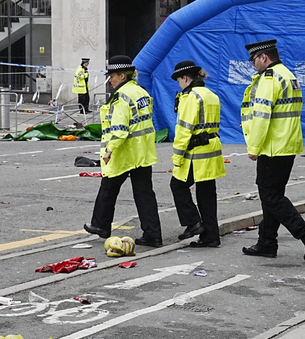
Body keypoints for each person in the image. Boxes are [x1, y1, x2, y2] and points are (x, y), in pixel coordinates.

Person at [240, 39, 305, 260]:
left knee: (270, 195)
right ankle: (266, 242)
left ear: (264, 57)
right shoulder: (289, 75)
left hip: (273, 145)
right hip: (288, 143)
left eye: (254, 60)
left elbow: (263, 115)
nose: (253, 65)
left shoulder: (269, 78)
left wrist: (254, 146)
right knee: (273, 196)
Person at [83, 55, 163, 247]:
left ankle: (101, 225)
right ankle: (153, 234)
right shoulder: (141, 92)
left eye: (113, 76)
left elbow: (119, 128)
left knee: (108, 188)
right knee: (144, 194)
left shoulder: (121, 97)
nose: (110, 79)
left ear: (123, 76)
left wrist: (109, 150)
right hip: (143, 151)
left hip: (125, 152)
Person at [169, 61, 225, 248]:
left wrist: (177, 157)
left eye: (179, 80)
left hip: (195, 152)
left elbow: (184, 129)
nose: (179, 84)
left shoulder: (191, 97)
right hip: (211, 149)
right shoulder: (211, 94)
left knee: (177, 185)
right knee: (207, 194)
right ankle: (211, 235)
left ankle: (193, 223)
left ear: (185, 78)